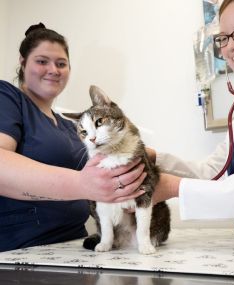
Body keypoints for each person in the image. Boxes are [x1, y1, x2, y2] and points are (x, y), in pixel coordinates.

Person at [150, 0, 234, 260]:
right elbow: (214, 171)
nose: (230, 46)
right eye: (223, 37)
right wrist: (154, 158)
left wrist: (173, 188)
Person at [0, 23, 146, 252]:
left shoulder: (71, 127)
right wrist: (83, 184)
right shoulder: (7, 98)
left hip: (75, 243)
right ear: (22, 62)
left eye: (61, 63)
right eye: (41, 61)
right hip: (24, 248)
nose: (53, 69)